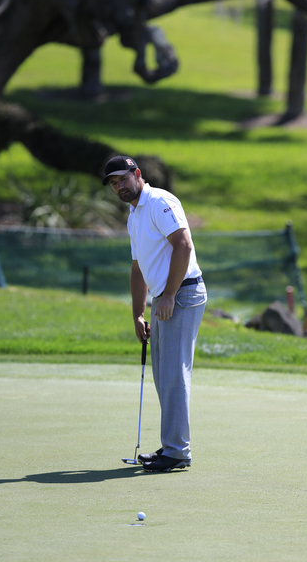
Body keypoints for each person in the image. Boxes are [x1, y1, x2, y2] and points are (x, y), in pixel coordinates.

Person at [103, 155, 207, 472]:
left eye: (123, 178)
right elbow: (138, 268)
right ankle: (173, 445)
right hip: (165, 297)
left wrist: (170, 294)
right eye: (113, 183)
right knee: (164, 376)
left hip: (182, 293)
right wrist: (138, 313)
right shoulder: (134, 215)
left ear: (137, 174)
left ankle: (177, 452)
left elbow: (184, 245)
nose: (119, 186)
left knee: (173, 375)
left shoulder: (159, 200)